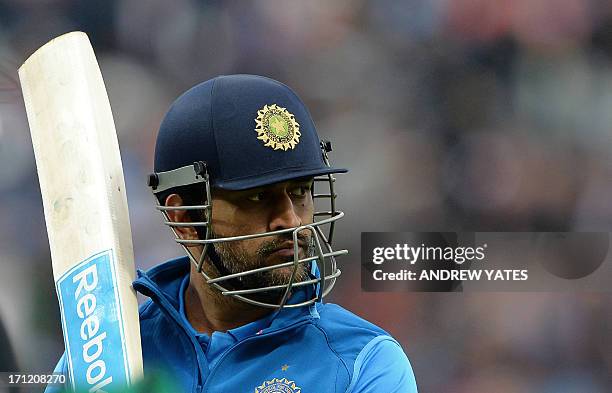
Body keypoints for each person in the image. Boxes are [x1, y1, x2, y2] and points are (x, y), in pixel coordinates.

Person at [47, 74, 418, 392]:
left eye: (301, 192)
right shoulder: (102, 356)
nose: (290, 221)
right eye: (258, 197)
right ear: (184, 217)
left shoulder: (363, 363)